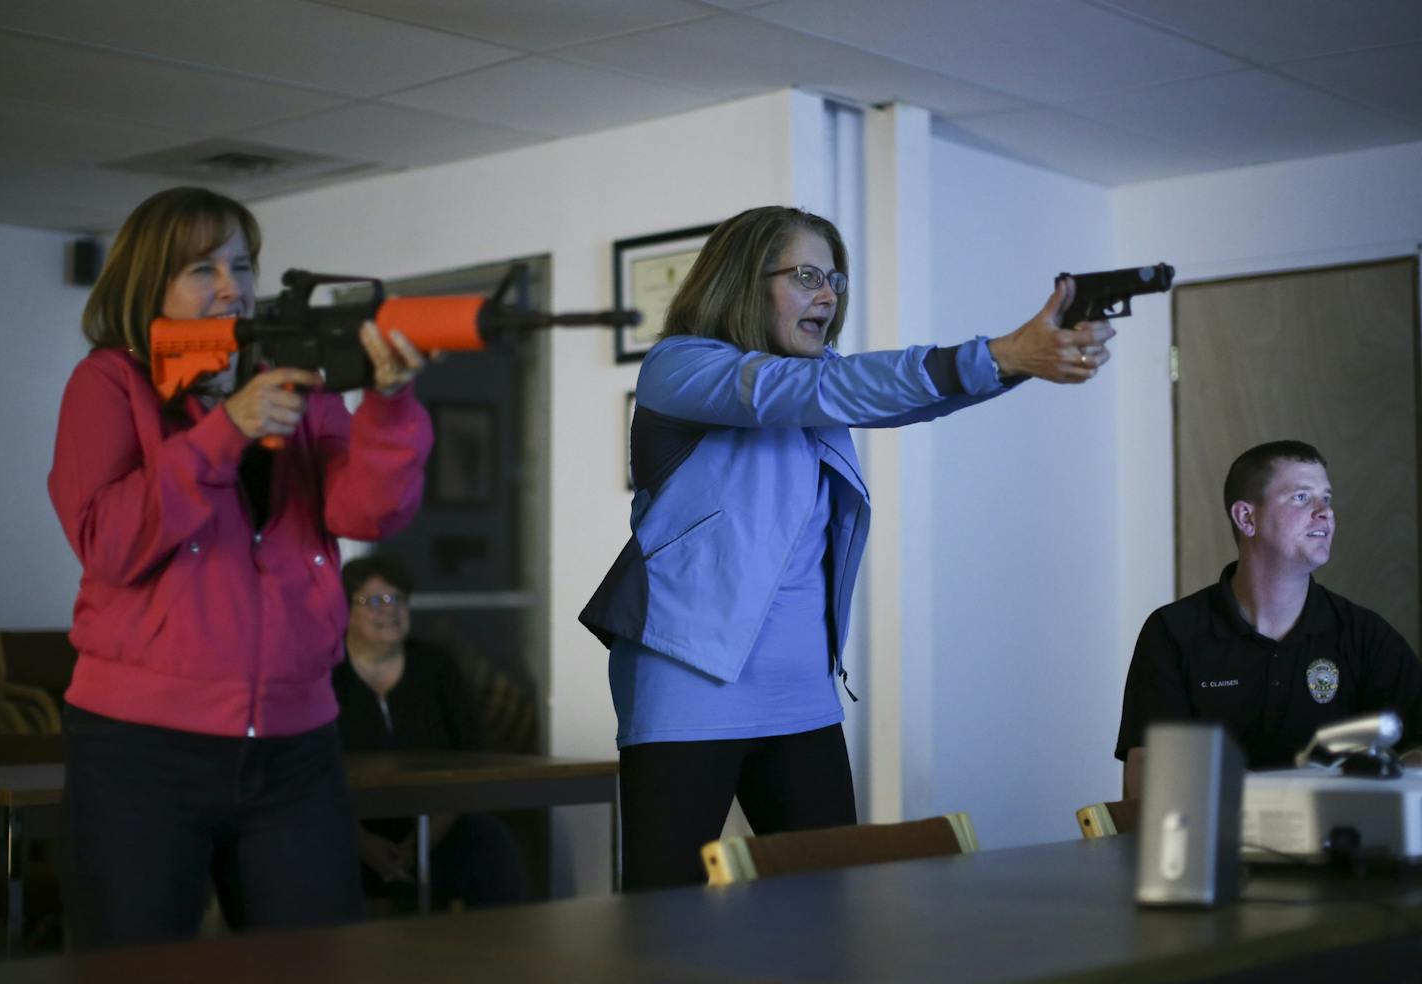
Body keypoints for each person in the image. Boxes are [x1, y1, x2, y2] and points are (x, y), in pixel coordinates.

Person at [580, 205, 1117, 890]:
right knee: (664, 912)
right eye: (806, 275)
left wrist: (1022, 363)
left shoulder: (818, 382)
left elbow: (896, 397)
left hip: (802, 688)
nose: (829, 295)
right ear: (745, 281)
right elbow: (817, 389)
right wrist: (1005, 352)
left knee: (829, 902)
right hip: (687, 679)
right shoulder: (679, 366)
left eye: (834, 278)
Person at [48, 186, 435, 949]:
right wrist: (223, 432)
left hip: (297, 743)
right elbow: (108, 542)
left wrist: (390, 405)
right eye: (202, 268)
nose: (233, 286)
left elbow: (367, 513)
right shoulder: (109, 382)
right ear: (147, 285)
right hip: (139, 747)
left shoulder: (299, 381)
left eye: (242, 264)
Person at [1115, 440, 1422, 798]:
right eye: (1301, 498)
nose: (1325, 512)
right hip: (1215, 846)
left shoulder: (1365, 635)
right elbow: (1145, 777)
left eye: (1327, 498)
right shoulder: (1174, 632)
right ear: (1247, 518)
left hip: (1341, 843)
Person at [332, 555, 528, 908]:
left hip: (438, 823)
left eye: (399, 600)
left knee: (490, 841)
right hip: (349, 828)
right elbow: (312, 767)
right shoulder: (325, 673)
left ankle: (505, 955)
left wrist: (428, 836)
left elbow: (472, 755)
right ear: (345, 610)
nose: (391, 611)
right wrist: (360, 842)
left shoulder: (436, 665)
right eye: (376, 601)